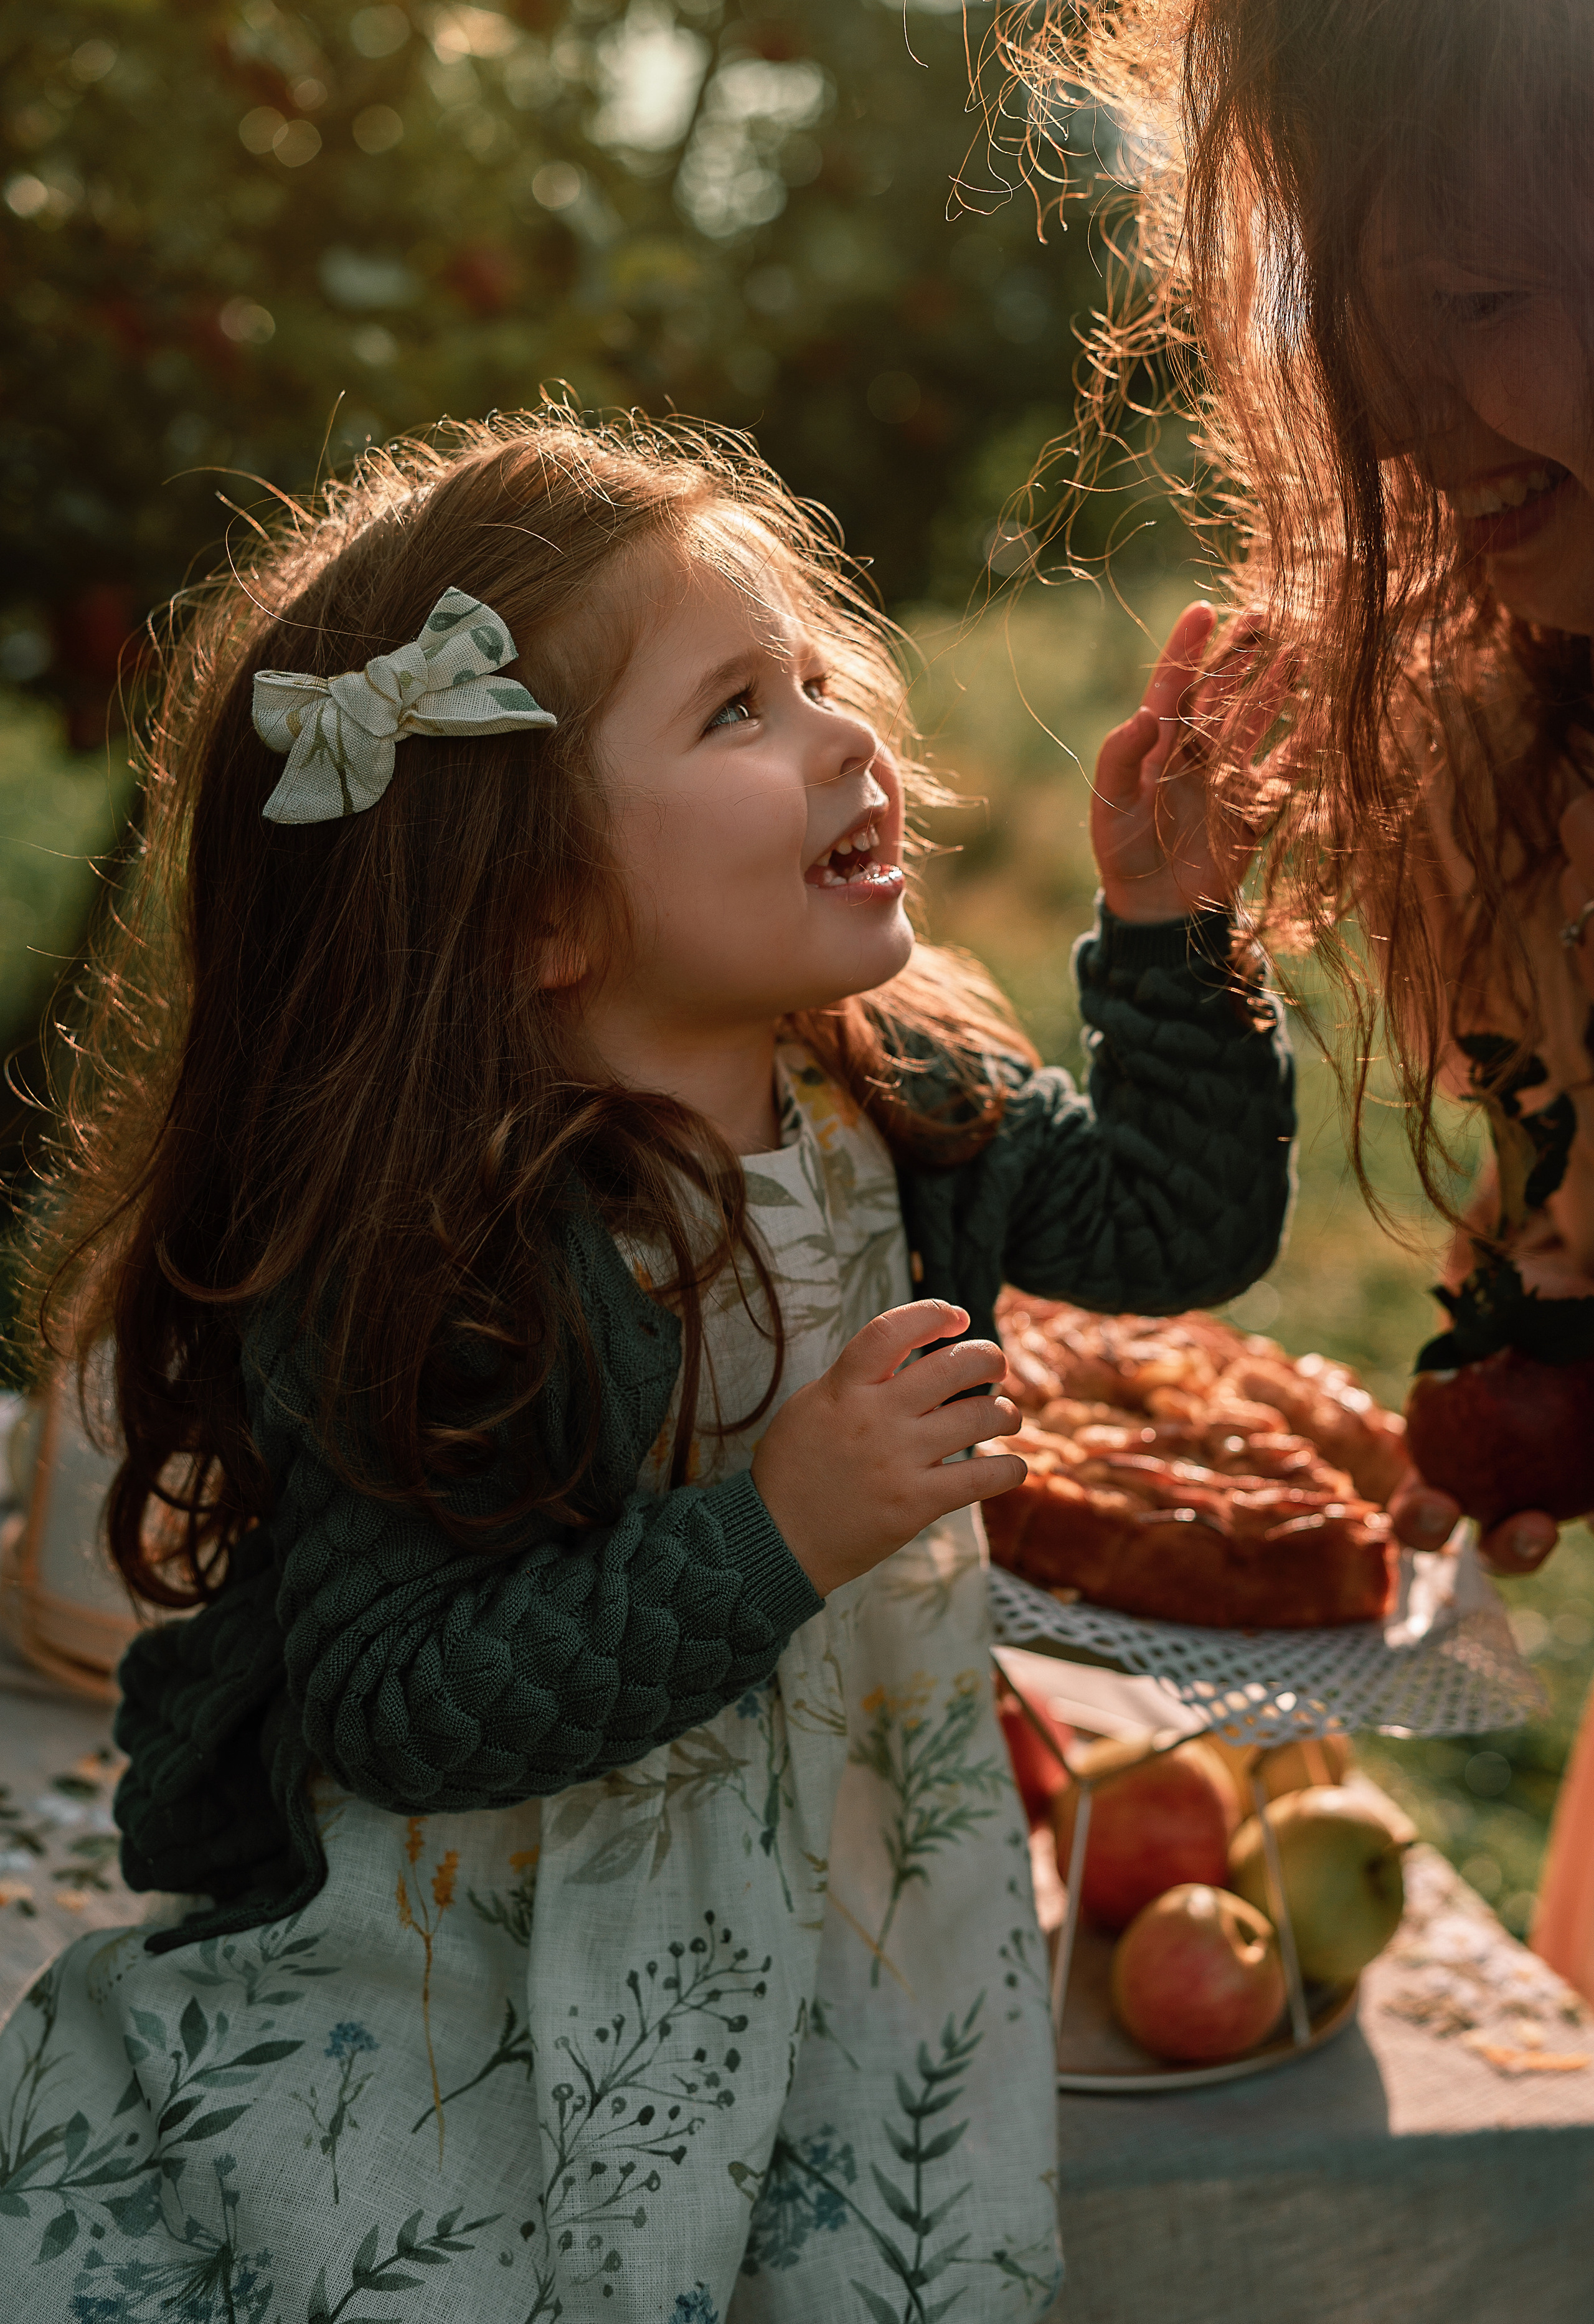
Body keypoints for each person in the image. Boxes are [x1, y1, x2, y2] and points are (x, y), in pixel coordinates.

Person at [0, 407, 1293, 2318]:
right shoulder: (442, 1246)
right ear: (537, 909)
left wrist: (1175, 932)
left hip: (859, 1930)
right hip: (498, 1995)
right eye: (737, 710)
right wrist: (779, 1528)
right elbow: (397, 1693)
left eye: (816, 674)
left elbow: (1180, 1224)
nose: (846, 734)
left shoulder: (900, 1100)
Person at [1024, 0, 1594, 1981]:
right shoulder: (1538, 744)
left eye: (1483, 299)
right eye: (1367, 332)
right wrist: (1537, 1362)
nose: (1410, 414)